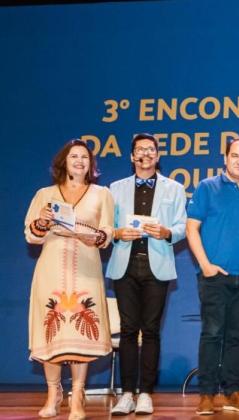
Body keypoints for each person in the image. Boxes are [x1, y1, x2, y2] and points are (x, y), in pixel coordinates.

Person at [25, 139, 114, 420]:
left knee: (80, 332)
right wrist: (42, 222)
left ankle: (78, 396)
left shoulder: (102, 194)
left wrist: (96, 236)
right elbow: (31, 234)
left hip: (86, 271)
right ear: (63, 162)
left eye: (85, 158)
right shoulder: (44, 194)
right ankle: (53, 394)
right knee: (52, 332)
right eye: (74, 157)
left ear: (91, 164)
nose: (79, 161)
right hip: (50, 269)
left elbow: (108, 232)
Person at [106, 133, 187, 416]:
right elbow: (106, 227)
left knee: (150, 331)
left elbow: (180, 226)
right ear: (132, 156)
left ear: (157, 156)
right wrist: (117, 233)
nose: (146, 154)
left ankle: (146, 394)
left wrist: (167, 233)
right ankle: (126, 392)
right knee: (128, 330)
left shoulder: (174, 188)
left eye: (151, 150)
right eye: (140, 150)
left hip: (157, 265)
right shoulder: (114, 188)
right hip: (124, 265)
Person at [186, 138, 239, 415]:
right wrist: (205, 264)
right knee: (212, 334)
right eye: (235, 156)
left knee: (235, 338)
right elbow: (191, 229)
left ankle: (233, 391)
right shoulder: (207, 187)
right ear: (226, 159)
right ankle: (207, 394)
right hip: (214, 276)